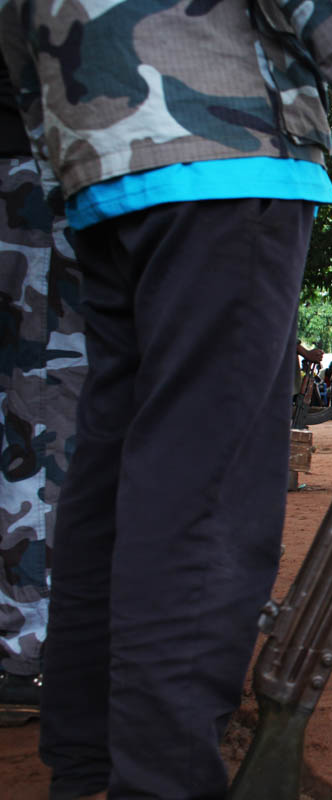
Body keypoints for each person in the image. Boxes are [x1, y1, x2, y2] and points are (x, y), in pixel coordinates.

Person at [0, 1, 332, 795]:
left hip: (92, 154)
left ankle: (87, 771)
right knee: (202, 511)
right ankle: (162, 781)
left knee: (108, 494)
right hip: (220, 131)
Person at [0, 63, 88, 727]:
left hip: (57, 161)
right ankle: (26, 644)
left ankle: (33, 640)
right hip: (41, 168)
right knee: (42, 425)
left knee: (52, 422)